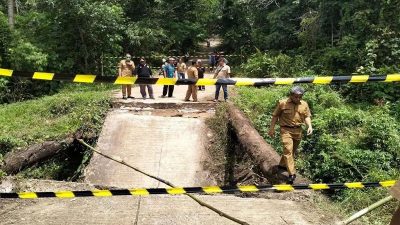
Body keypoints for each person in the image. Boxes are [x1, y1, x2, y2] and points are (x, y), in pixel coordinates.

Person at [268, 86, 313, 184]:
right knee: (288, 150)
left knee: (292, 151)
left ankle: (282, 165)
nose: (298, 99)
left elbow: (307, 116)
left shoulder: (304, 104)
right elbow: (275, 116)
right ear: (291, 95)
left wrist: (309, 126)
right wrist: (271, 128)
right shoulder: (282, 103)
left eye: (300, 96)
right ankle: (292, 174)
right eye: (296, 96)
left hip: (298, 131)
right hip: (285, 130)